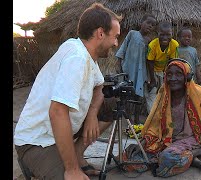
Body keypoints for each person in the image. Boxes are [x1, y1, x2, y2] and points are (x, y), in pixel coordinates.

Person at [13, 3, 122, 180]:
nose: (116, 43)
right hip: (36, 141)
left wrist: (93, 114)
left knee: (111, 102)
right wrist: (71, 170)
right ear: (101, 33)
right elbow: (57, 112)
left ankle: (76, 155)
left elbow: (100, 86)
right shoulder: (77, 59)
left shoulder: (85, 54)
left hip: (59, 132)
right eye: (115, 37)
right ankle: (41, 165)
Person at [123, 59, 201, 178]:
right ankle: (188, 158)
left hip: (188, 138)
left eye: (178, 74)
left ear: (187, 77)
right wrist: (142, 143)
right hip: (165, 138)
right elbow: (155, 124)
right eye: (169, 74)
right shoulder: (163, 94)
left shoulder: (196, 93)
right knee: (128, 157)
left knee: (166, 159)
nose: (173, 78)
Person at [115, 14, 157, 123]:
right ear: (141, 22)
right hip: (128, 70)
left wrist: (149, 76)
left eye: (153, 25)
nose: (150, 26)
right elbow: (123, 48)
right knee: (127, 94)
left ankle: (137, 120)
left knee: (138, 97)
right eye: (148, 23)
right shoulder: (132, 34)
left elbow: (149, 59)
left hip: (141, 72)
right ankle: (127, 118)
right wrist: (118, 64)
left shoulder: (149, 40)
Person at [145, 21, 179, 113]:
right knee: (152, 92)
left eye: (168, 35)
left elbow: (172, 62)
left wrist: (167, 75)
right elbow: (150, 62)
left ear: (172, 33)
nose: (165, 37)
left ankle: (163, 115)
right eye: (162, 34)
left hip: (164, 71)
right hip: (151, 71)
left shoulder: (174, 45)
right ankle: (152, 116)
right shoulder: (153, 45)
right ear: (157, 33)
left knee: (164, 93)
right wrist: (152, 79)